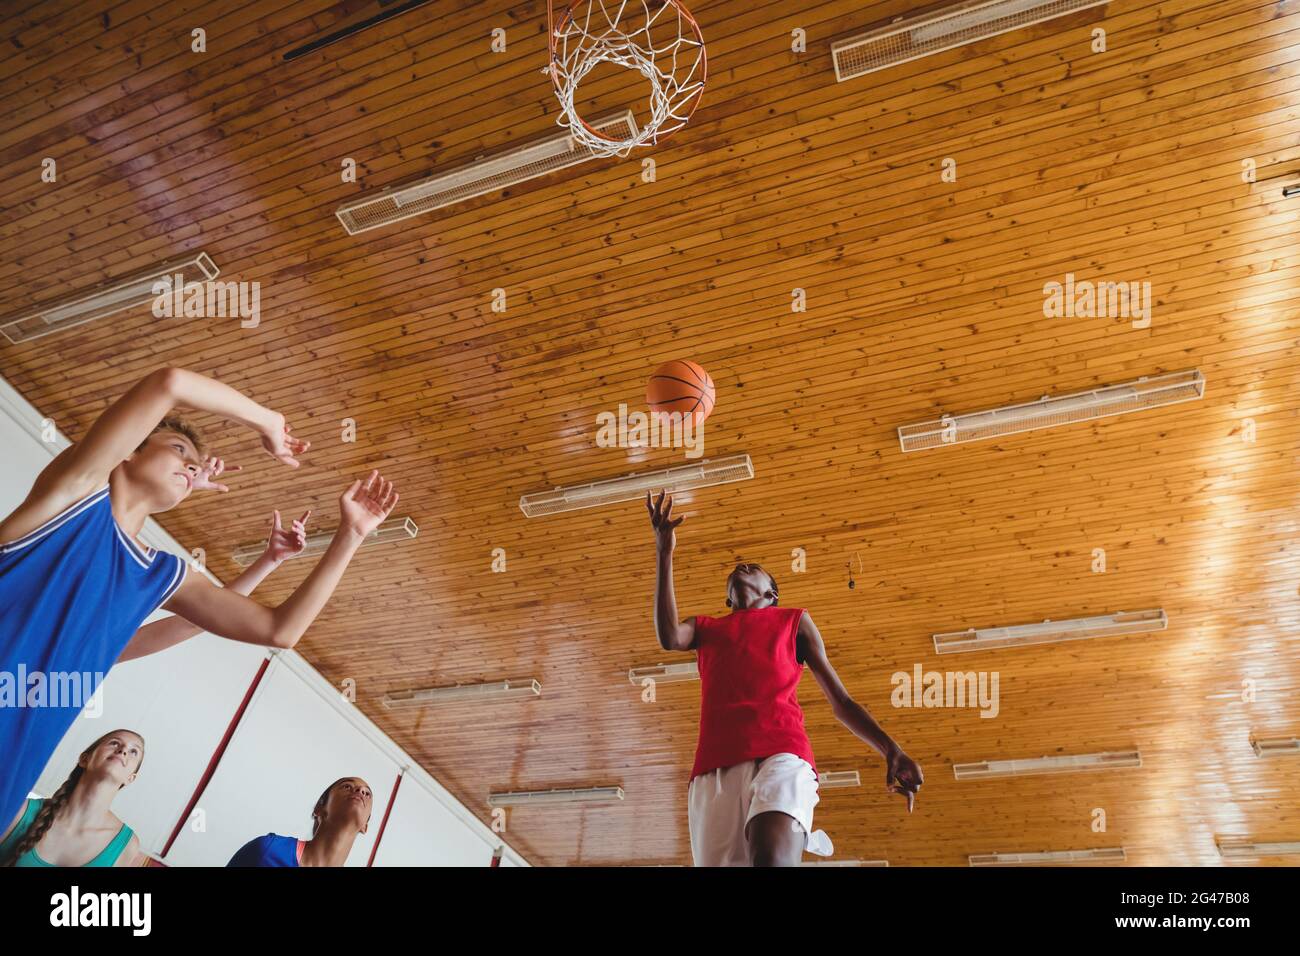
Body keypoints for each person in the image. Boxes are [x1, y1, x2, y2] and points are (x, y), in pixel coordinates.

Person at [0, 366, 399, 826]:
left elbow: (279, 631)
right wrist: (267, 420)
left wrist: (349, 535)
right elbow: (168, 383)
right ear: (127, 452)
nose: (190, 466)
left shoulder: (162, 572)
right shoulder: (73, 495)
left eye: (194, 464)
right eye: (178, 449)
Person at [646, 490, 924, 867]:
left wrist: (891, 748)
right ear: (728, 599)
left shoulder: (793, 622)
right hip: (714, 769)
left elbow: (840, 702)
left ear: (771, 593)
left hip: (782, 753)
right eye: (737, 569)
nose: (743, 566)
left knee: (770, 857)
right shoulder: (705, 629)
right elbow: (668, 637)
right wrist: (665, 552)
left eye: (753, 567)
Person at [0, 729, 149, 867]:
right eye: (114, 743)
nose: (123, 751)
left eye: (133, 751)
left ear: (130, 778)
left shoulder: (126, 846)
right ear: (85, 759)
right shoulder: (20, 812)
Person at [227, 777, 372, 867]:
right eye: (347, 786)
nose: (361, 791)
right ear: (319, 808)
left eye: (367, 793)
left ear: (365, 826)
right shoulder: (267, 849)